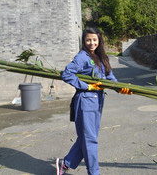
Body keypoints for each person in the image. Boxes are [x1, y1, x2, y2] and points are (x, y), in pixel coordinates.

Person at [56, 27, 131, 175]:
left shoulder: (100, 57)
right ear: (84, 41)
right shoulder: (82, 57)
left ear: (99, 40)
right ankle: (94, 173)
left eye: (94, 40)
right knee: (90, 140)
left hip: (97, 102)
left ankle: (66, 163)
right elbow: (67, 74)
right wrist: (87, 86)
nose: (92, 43)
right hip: (85, 102)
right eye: (88, 40)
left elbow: (109, 77)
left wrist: (121, 88)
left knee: (87, 137)